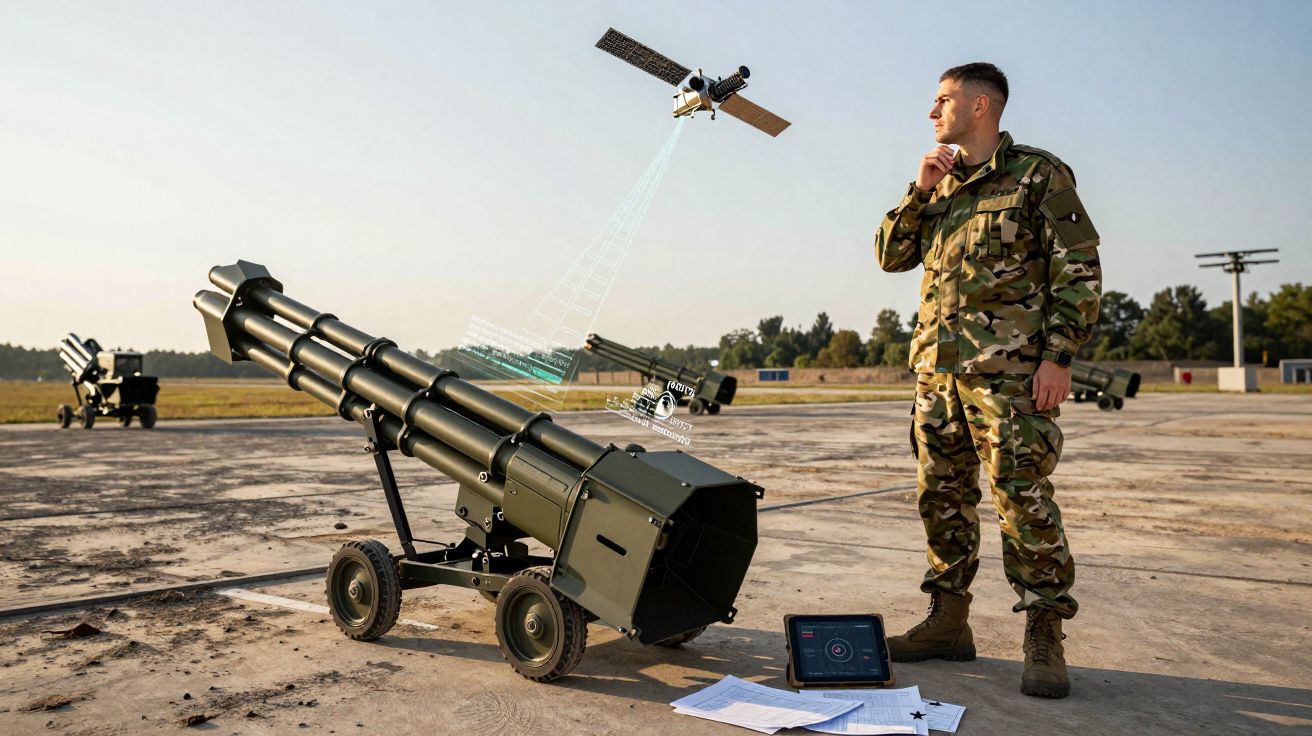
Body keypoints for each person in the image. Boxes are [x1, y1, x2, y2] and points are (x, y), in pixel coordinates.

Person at [873, 62, 1101, 699]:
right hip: (936, 375)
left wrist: (1060, 355)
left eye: (941, 99)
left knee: (1022, 501)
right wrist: (919, 191)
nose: (931, 111)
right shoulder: (940, 183)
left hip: (1010, 379)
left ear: (980, 106)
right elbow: (891, 255)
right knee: (940, 500)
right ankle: (948, 622)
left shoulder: (1038, 173)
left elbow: (1078, 266)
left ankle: (1044, 632)